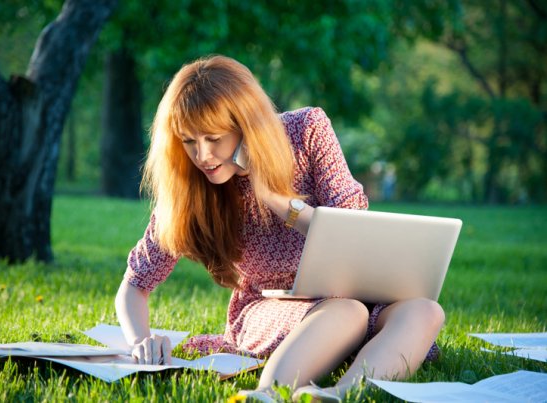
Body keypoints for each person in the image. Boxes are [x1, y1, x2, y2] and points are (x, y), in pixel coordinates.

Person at [115, 55, 444, 402]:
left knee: (424, 310)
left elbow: (351, 227)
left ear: (245, 125)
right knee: (346, 312)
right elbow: (135, 284)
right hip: (270, 308)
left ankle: (343, 394)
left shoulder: (308, 131)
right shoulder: (191, 184)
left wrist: (272, 196)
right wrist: (140, 341)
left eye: (213, 138)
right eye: (188, 141)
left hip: (355, 297)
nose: (202, 155)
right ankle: (267, 393)